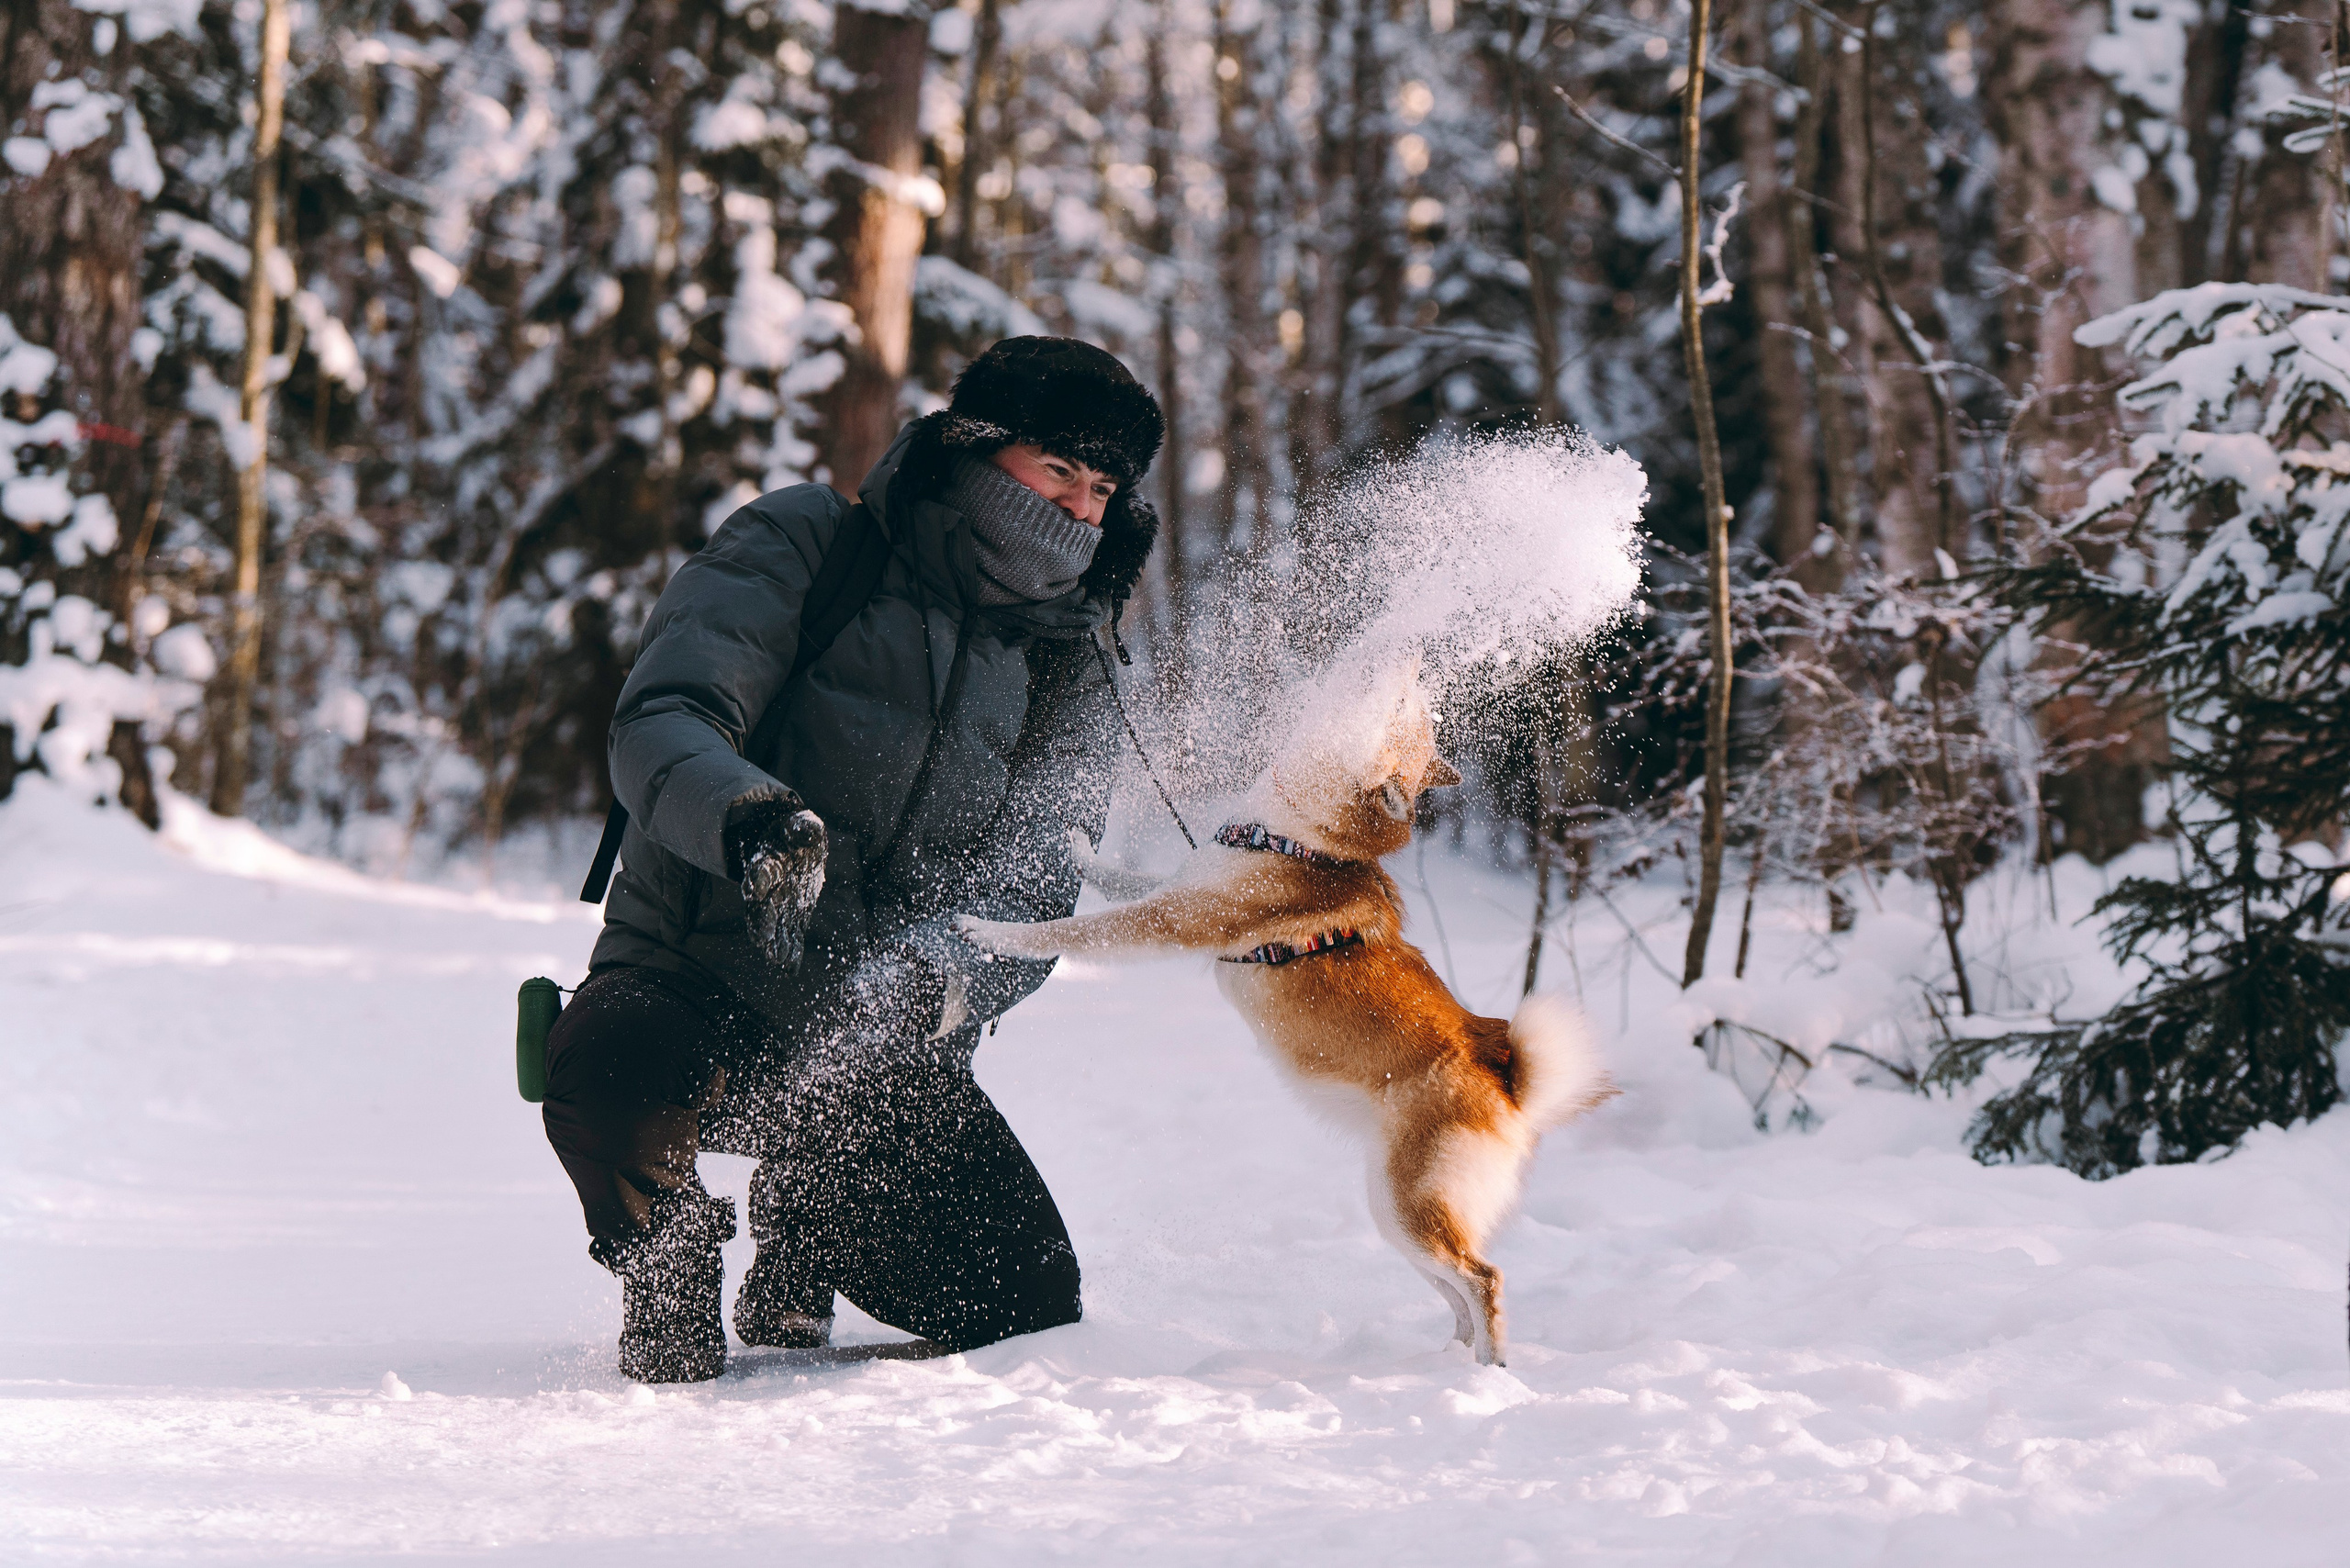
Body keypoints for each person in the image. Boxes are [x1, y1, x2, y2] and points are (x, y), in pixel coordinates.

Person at [543, 337, 1164, 1382]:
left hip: (872, 1043)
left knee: (1025, 1302)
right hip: (696, 981)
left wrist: (951, 979)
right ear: (973, 450)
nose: (1079, 510)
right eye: (1057, 469)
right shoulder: (808, 543)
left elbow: (1039, 881)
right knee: (610, 1065)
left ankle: (807, 1219)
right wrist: (746, 818)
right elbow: (665, 715)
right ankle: (667, 1251)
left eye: (1102, 486)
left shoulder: (1073, 652)